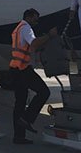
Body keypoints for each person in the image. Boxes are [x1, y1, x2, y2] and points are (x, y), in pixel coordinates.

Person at [9, 8, 58, 145]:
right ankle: (27, 119)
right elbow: (34, 43)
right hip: (23, 70)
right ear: (29, 17)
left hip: (15, 68)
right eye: (35, 19)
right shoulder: (26, 28)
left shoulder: (18, 28)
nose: (36, 22)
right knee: (44, 92)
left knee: (20, 102)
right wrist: (49, 36)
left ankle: (19, 136)